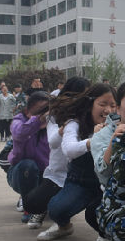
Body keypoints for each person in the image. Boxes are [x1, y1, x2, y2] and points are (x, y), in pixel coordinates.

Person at [37, 83, 116, 241]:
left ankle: (108, 236)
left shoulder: (117, 125)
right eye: (102, 104)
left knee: (93, 214)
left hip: (107, 184)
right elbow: (69, 149)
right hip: (81, 182)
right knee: (56, 209)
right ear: (90, 104)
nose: (108, 110)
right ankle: (64, 226)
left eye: (113, 105)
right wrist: (96, 140)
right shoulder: (74, 123)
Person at [21, 77, 89, 228]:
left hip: (80, 175)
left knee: (69, 205)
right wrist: (64, 128)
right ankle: (47, 209)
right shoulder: (55, 115)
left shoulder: (89, 115)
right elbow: (53, 142)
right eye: (77, 97)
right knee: (32, 203)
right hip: (58, 173)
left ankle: (64, 212)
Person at [89, 81, 125, 241]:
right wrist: (115, 142)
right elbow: (103, 176)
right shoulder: (103, 135)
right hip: (119, 198)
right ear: (118, 109)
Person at [5, 91, 52, 208]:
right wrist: (38, 120)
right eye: (40, 110)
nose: (44, 113)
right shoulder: (19, 121)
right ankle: (27, 203)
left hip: (46, 173)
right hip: (22, 173)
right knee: (28, 166)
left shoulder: (53, 123)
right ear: (28, 110)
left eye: (47, 109)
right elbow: (19, 133)